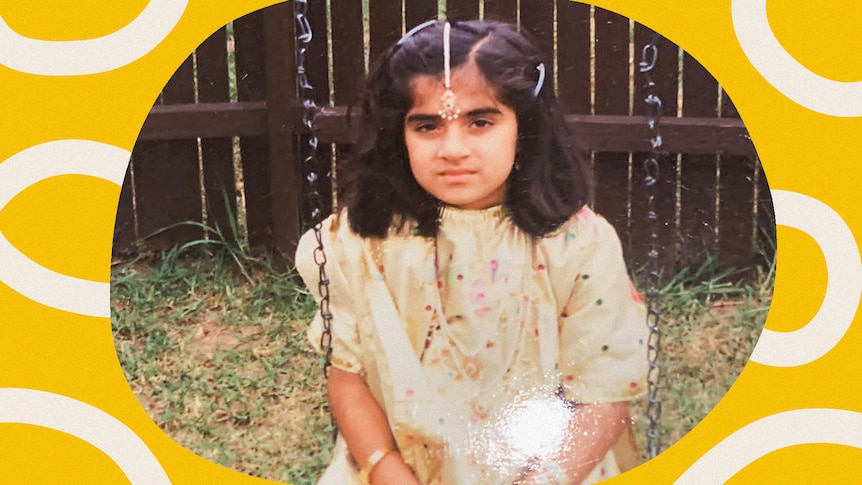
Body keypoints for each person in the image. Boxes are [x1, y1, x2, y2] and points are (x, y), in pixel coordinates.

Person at [296, 19, 648, 485]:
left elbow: (603, 397)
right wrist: (384, 467)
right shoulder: (361, 241)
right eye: (427, 125)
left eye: (480, 122)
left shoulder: (577, 245)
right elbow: (348, 373)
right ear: (398, 137)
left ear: (524, 128)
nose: (453, 148)